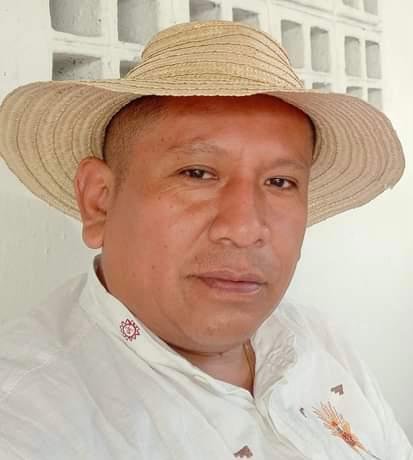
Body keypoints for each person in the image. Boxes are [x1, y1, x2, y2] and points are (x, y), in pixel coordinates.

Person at [0, 19, 411, 460]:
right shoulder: (28, 421)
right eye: (197, 173)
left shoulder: (315, 340)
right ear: (99, 201)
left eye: (280, 182)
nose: (245, 228)